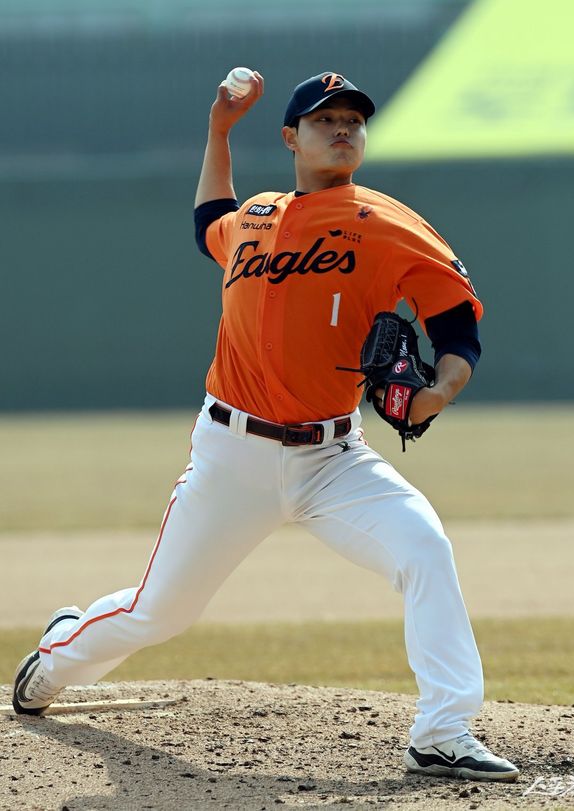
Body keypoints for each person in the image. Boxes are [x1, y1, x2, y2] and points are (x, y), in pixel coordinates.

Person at [13, 70, 519, 783]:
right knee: (161, 612)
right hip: (233, 455)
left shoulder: (387, 222)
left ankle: (443, 730)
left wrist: (436, 394)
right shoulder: (254, 216)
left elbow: (457, 328)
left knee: (424, 546)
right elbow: (206, 222)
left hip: (335, 456)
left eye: (352, 120)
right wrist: (219, 130)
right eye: (324, 120)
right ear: (290, 137)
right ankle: (58, 653)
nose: (342, 129)